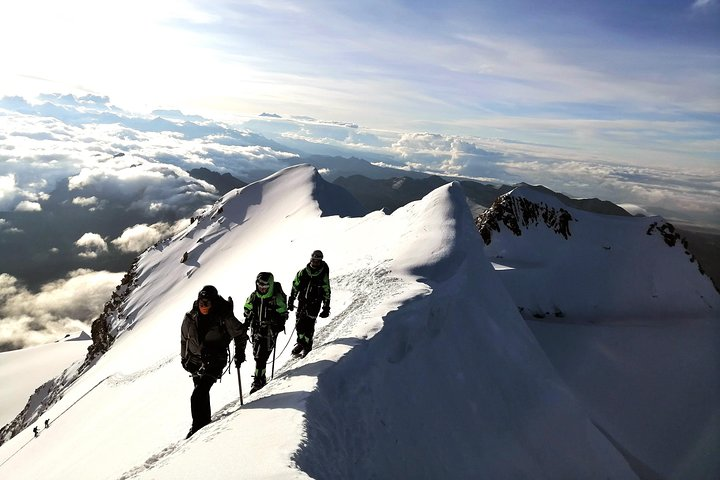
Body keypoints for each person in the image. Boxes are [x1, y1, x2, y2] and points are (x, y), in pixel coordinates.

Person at [180, 285, 247, 439]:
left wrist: (240, 353)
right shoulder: (191, 317)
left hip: (216, 359)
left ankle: (197, 428)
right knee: (201, 391)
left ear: (214, 302)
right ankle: (204, 422)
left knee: (197, 395)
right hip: (195, 362)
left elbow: (240, 333)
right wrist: (185, 359)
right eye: (201, 303)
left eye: (207, 303)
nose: (203, 306)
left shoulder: (224, 316)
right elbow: (184, 339)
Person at [243, 272, 288, 394]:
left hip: (269, 330)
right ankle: (259, 376)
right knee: (257, 354)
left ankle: (259, 379)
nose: (262, 288)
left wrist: (278, 323)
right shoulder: (254, 296)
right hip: (257, 329)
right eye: (260, 285)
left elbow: (283, 312)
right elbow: (247, 307)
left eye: (265, 286)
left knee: (261, 355)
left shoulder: (276, 297)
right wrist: (247, 316)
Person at [288, 250, 331, 358]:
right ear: (310, 259)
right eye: (314, 260)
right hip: (302, 302)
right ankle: (301, 343)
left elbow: (326, 291)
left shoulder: (323, 275)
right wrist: (291, 299)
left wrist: (326, 307)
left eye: (317, 261)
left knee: (309, 325)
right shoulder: (302, 273)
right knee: (299, 324)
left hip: (315, 304)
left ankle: (307, 346)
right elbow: (295, 286)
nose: (315, 262)